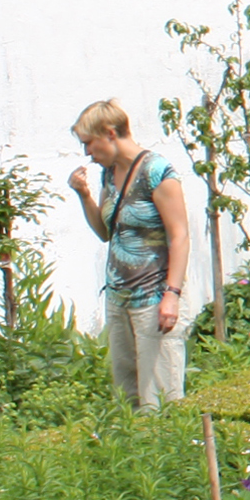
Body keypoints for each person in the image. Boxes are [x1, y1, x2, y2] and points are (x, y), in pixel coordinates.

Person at [67, 101, 194, 413]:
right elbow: (106, 232)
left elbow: (179, 236)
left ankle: (170, 456)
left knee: (160, 400)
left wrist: (172, 296)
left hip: (154, 299)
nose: (86, 153)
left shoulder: (157, 172)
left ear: (110, 133)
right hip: (119, 298)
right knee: (128, 400)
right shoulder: (109, 175)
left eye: (89, 143)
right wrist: (83, 195)